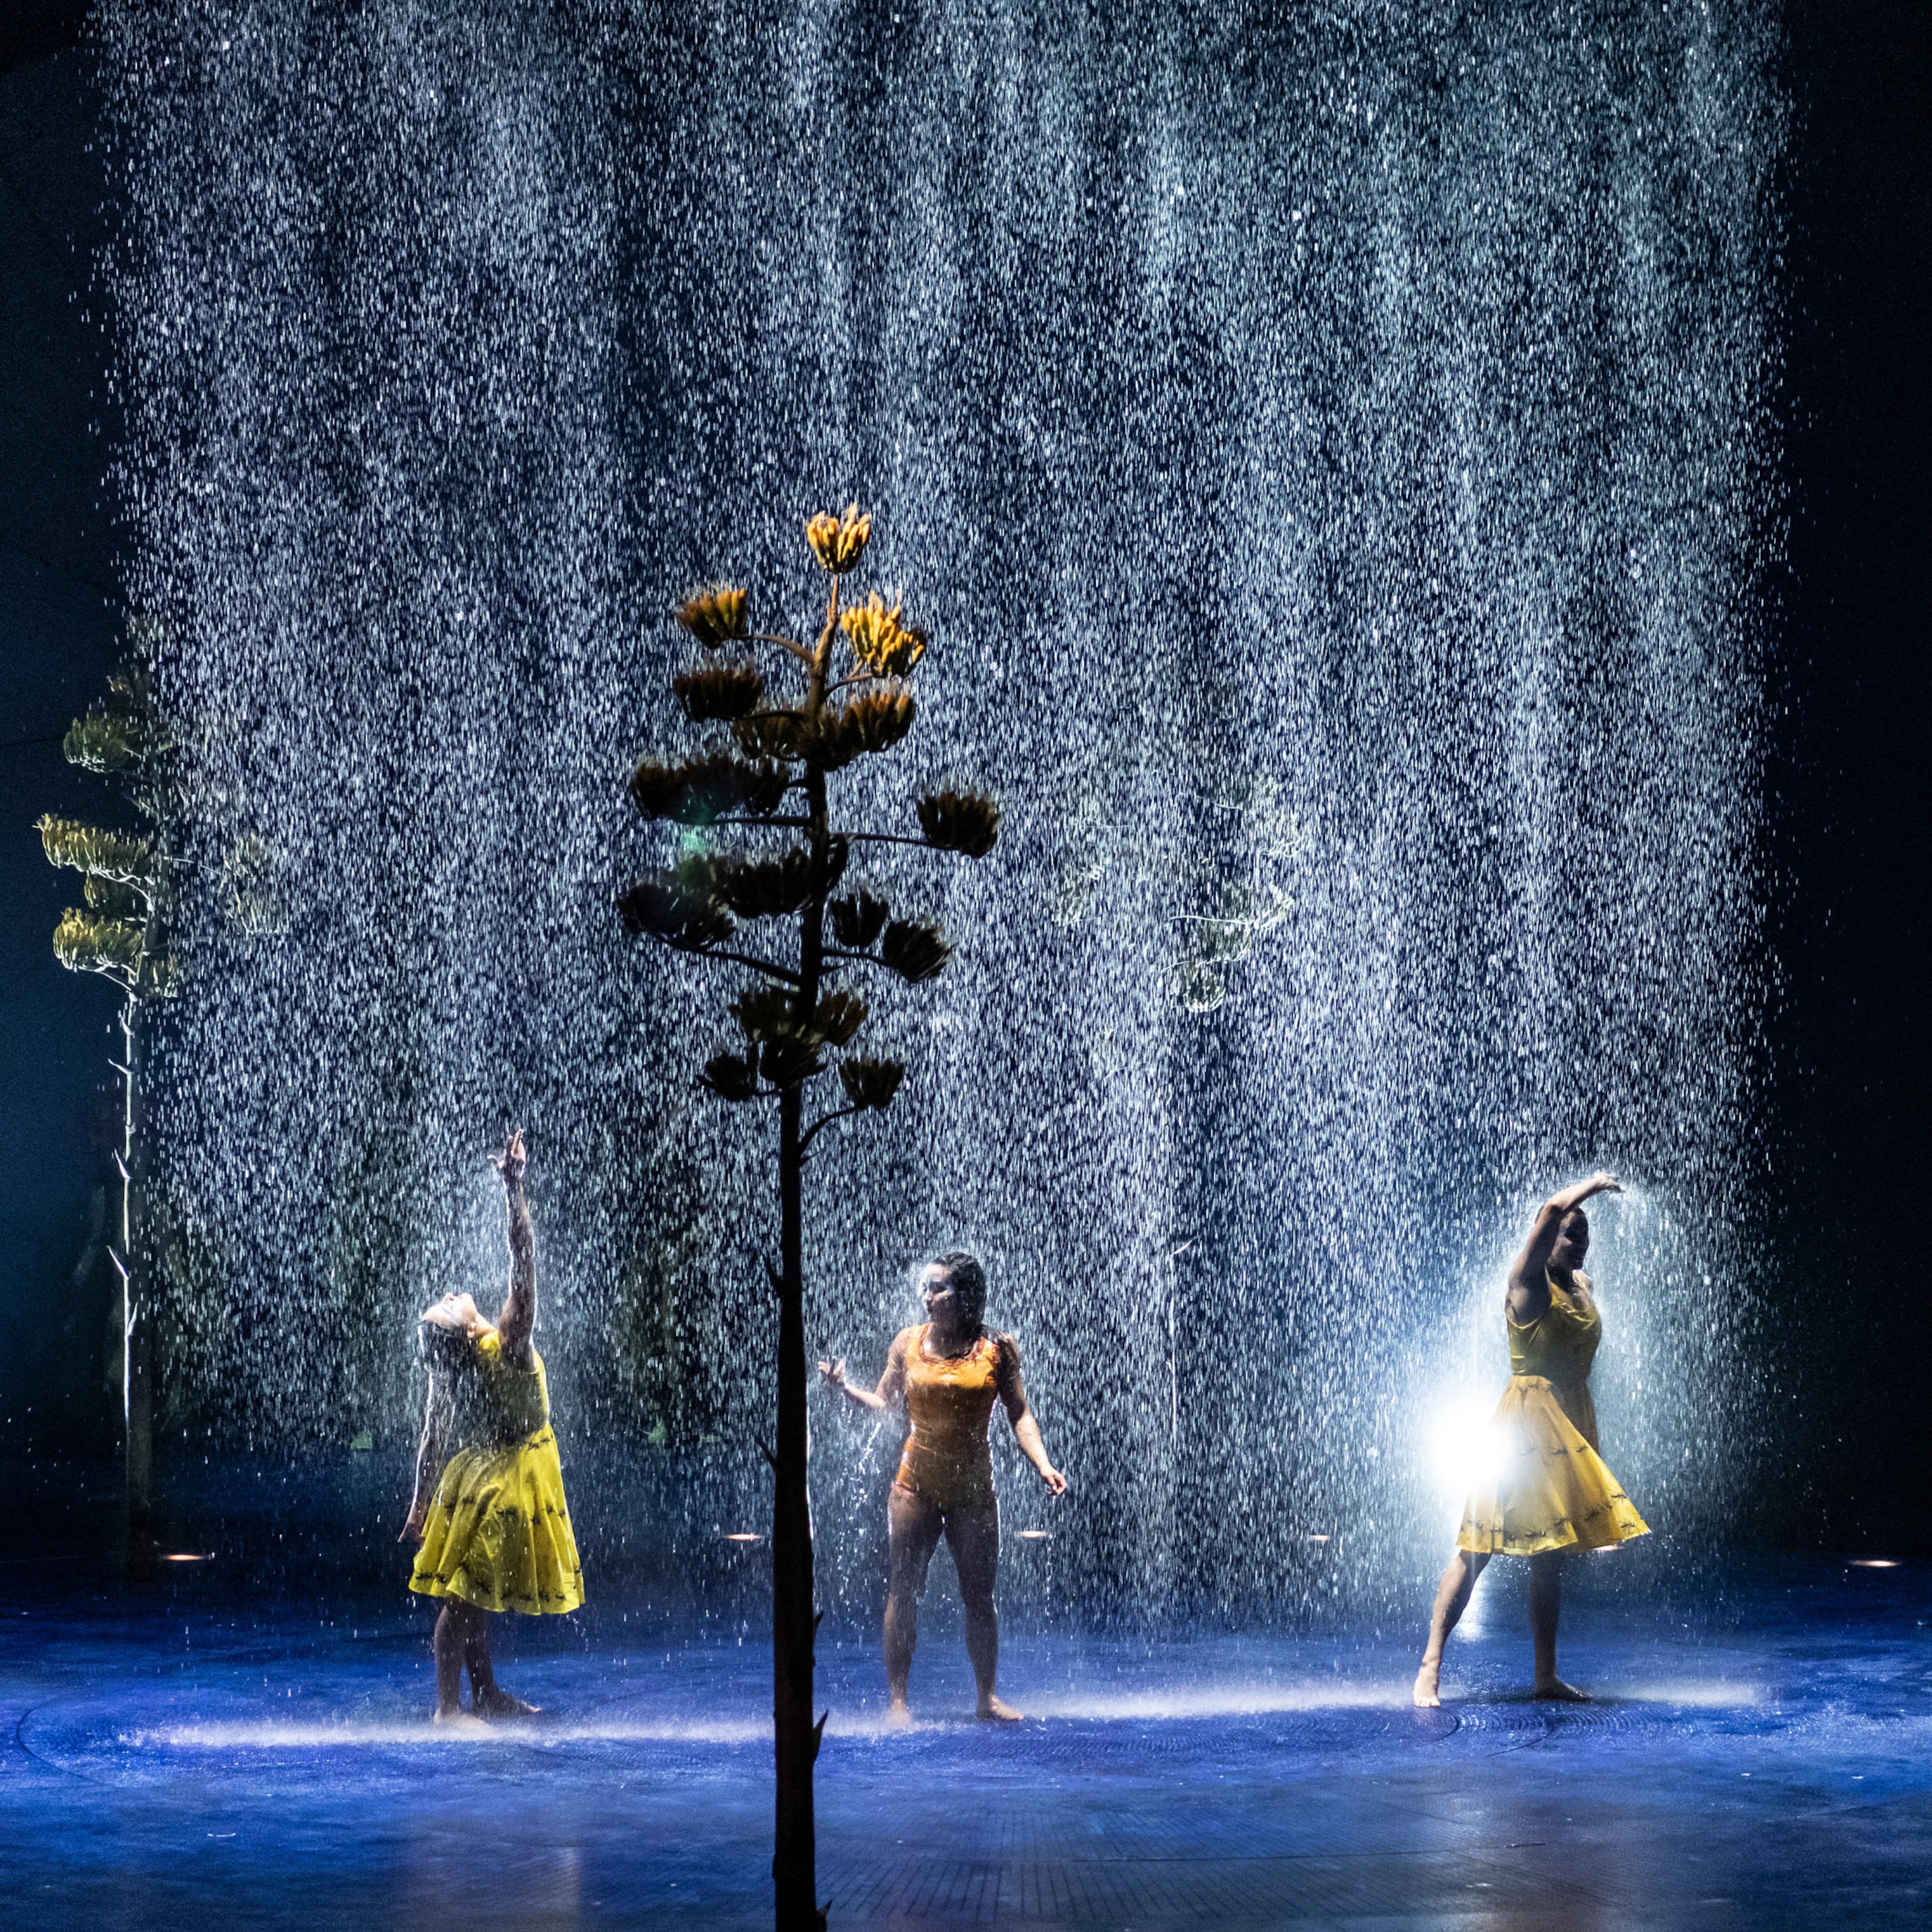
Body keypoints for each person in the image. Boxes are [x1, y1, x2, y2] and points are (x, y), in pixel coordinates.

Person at [1414, 1171, 1649, 1708]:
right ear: (1549, 1238)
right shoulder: (1527, 1279)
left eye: (1585, 1232)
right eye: (1571, 1232)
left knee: (1550, 1557)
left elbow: (1576, 1368)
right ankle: (1430, 1666)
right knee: (1477, 1549)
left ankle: (1546, 1674)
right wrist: (1590, 1185)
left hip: (1566, 1425)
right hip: (1522, 1431)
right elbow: (1547, 1212)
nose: (1580, 1240)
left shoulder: (1582, 1287)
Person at [819, 1252, 1067, 1724]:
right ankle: (898, 1703)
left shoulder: (998, 1348)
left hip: (973, 1490)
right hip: (915, 1486)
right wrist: (844, 1389)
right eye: (926, 1288)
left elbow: (1019, 1414)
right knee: (903, 1590)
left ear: (966, 1296)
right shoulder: (908, 1343)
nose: (928, 1297)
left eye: (940, 1289)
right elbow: (881, 1403)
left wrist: (1043, 1464)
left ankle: (987, 1699)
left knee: (980, 1596)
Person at [400, 1130, 584, 1724]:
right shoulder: (507, 1344)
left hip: (481, 1475)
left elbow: (431, 1437)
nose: (453, 1293)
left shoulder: (459, 1368)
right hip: (507, 1482)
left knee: (474, 1596)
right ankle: (449, 1708)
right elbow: (522, 1261)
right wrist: (514, 1190)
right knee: (463, 1597)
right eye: (447, 1303)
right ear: (458, 1330)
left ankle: (485, 1694)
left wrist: (420, 1501)